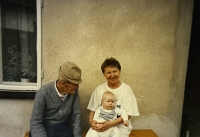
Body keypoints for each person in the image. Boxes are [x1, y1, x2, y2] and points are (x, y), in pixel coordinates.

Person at [87, 57, 140, 137]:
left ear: (119, 71)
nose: (112, 75)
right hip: (101, 125)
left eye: (115, 71)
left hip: (121, 127)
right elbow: (93, 110)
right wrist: (91, 122)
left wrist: (110, 124)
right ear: (104, 74)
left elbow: (128, 114)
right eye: (108, 73)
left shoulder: (126, 89)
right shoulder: (99, 89)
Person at [30, 62, 82, 137]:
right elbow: (36, 122)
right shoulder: (43, 92)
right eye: (75, 84)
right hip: (44, 127)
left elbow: (76, 116)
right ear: (64, 83)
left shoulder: (74, 92)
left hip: (63, 127)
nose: (78, 87)